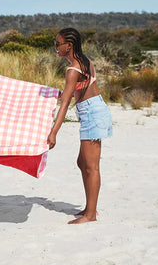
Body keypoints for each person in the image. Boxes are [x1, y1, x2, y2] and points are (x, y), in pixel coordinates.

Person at [47, 28, 112, 224]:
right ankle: (89, 208)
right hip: (93, 110)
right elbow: (80, 90)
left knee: (91, 166)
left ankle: (91, 214)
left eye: (59, 44)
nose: (56, 48)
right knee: (82, 163)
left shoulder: (73, 69)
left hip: (92, 114)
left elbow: (66, 103)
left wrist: (53, 133)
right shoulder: (86, 61)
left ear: (69, 45)